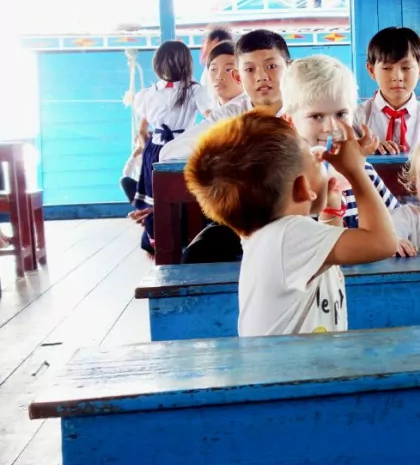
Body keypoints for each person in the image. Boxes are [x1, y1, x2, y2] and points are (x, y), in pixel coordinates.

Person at [184, 110, 397, 337]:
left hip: (295, 368)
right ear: (303, 188)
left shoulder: (273, 234)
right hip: (291, 370)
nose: (321, 156)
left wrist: (331, 208)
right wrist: (356, 171)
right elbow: (383, 243)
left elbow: (327, 257)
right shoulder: (288, 236)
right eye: (315, 159)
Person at [281, 54, 400, 228]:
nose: (331, 127)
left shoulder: (364, 170)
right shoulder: (287, 182)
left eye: (341, 114)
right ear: (290, 121)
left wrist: (400, 237)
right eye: (316, 116)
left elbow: (398, 221)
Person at [159, 29, 291, 162]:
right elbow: (168, 152)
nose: (261, 77)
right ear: (238, 77)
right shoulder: (229, 116)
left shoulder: (306, 108)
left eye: (271, 66)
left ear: (289, 68)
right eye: (250, 69)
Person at [132, 40, 201, 253]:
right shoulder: (195, 90)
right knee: (184, 197)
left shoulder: (148, 93)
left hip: (154, 150)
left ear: (157, 65)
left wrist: (146, 150)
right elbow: (212, 119)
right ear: (187, 64)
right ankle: (184, 242)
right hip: (181, 149)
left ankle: (155, 240)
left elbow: (142, 131)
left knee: (156, 200)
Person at [355, 27, 420, 154]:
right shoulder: (356, 118)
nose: (397, 77)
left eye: (406, 67)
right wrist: (365, 151)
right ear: (371, 70)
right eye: (387, 68)